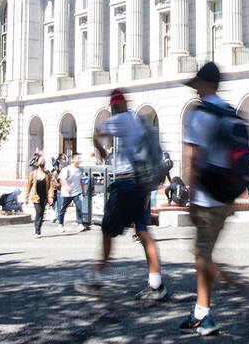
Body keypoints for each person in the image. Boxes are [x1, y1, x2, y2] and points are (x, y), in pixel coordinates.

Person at [78, 88, 167, 301]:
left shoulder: (121, 119)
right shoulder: (136, 121)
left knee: (108, 230)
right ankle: (156, 285)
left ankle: (96, 278)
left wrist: (98, 145)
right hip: (142, 182)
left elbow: (98, 132)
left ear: (116, 106)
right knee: (144, 232)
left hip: (125, 183)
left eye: (114, 107)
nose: (115, 109)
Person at [179, 61, 240, 335]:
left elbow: (193, 158)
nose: (195, 91)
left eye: (197, 86)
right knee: (204, 253)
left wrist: (190, 197)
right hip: (226, 196)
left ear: (204, 85)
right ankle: (200, 311)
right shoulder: (230, 111)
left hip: (206, 197)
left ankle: (207, 314)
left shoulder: (199, 113)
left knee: (203, 256)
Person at [57, 153, 88, 232]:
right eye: (78, 158)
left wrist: (83, 191)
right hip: (67, 193)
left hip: (76, 192)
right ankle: (60, 224)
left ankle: (80, 223)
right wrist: (67, 186)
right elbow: (62, 179)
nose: (79, 160)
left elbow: (81, 180)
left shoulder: (80, 169)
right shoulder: (67, 169)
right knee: (63, 209)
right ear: (73, 159)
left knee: (79, 207)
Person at [26, 158, 52, 238]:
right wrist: (26, 197)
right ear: (37, 163)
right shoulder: (33, 174)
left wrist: (50, 196)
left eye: (43, 161)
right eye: (41, 161)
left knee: (42, 213)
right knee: (39, 212)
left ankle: (39, 227)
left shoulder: (47, 174)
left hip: (44, 196)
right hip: (36, 196)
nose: (42, 163)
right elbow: (28, 186)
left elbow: (50, 187)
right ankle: (37, 231)